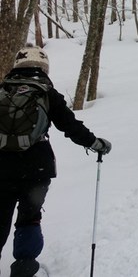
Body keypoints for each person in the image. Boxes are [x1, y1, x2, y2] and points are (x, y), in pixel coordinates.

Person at [0, 45, 111, 277]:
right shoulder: (47, 93)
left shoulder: (2, 90)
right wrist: (95, 144)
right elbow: (70, 127)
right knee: (29, 217)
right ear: (43, 67)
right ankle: (24, 266)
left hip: (1, 168)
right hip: (36, 168)